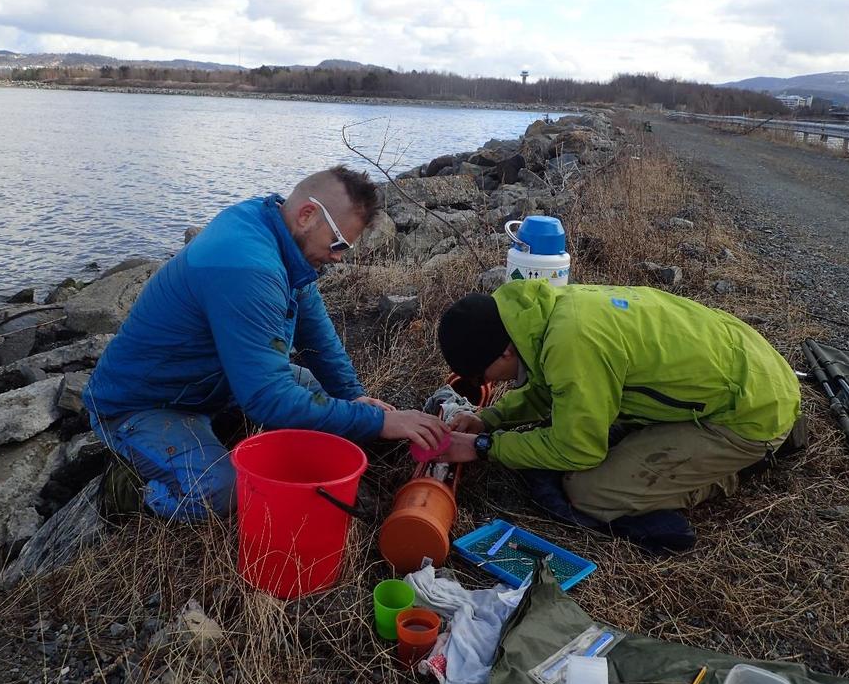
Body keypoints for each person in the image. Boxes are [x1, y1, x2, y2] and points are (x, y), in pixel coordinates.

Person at [83, 165, 447, 521]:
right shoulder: (248, 267)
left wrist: (352, 397)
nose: (338, 256)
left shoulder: (276, 230)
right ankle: (128, 492)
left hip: (211, 381)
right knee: (224, 491)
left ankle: (214, 428)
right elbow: (268, 398)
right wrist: (377, 423)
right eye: (337, 243)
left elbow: (317, 334)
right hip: (143, 403)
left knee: (318, 391)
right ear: (307, 214)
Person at [436, 281, 802, 550]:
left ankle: (739, 465)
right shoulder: (542, 314)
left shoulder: (573, 343)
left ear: (503, 354)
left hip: (751, 411)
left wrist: (485, 446)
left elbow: (578, 449)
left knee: (590, 492)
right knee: (594, 432)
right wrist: (490, 419)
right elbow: (551, 388)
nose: (486, 383)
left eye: (481, 376)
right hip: (750, 366)